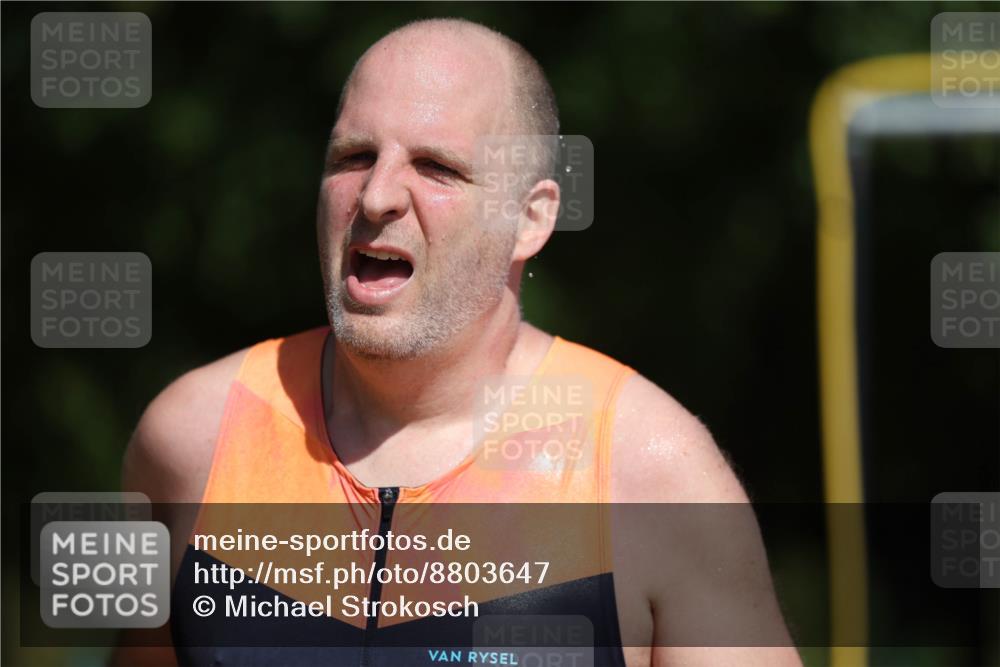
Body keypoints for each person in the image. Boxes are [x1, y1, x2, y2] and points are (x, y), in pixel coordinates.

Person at [117, 17, 801, 667]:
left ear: (530, 219)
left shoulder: (656, 474)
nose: (378, 195)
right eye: (354, 156)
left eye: (436, 167)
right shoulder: (188, 440)